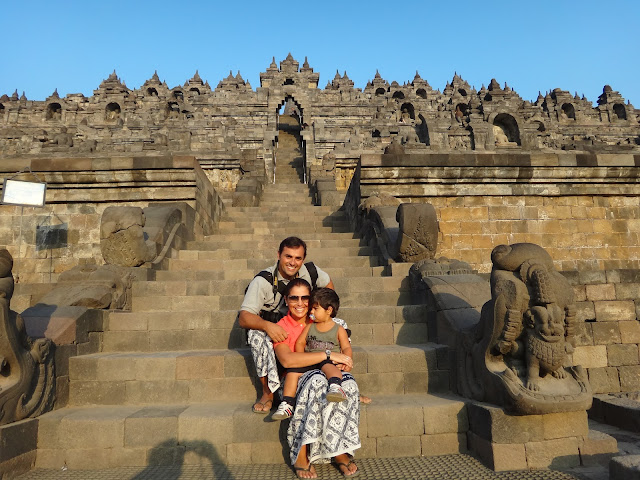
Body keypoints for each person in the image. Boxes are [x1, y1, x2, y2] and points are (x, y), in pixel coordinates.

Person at [274, 278, 360, 478]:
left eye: (305, 298)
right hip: (295, 379)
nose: (301, 303)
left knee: (350, 385)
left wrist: (343, 361)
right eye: (294, 298)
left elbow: (344, 348)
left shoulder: (323, 322)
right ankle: (301, 453)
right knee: (316, 382)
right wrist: (327, 356)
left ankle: (339, 449)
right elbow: (288, 361)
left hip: (325, 372)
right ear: (286, 300)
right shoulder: (282, 326)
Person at [239, 237, 334, 414]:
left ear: (303, 259)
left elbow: (329, 287)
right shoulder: (263, 280)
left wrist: (321, 314)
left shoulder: (311, 271)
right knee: (255, 336)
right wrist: (268, 326)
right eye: (288, 256)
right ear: (279, 255)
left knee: (337, 325)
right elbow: (244, 318)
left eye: (298, 258)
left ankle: (340, 382)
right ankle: (268, 393)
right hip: (274, 326)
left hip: (303, 322)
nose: (292, 262)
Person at [272, 288, 351, 420]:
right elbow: (300, 343)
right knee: (292, 372)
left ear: (329, 310)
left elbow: (346, 347)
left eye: (315, 309)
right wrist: (301, 356)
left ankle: (336, 386)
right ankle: (287, 404)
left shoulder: (339, 329)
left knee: (329, 367)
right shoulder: (311, 326)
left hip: (328, 361)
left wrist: (347, 360)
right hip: (311, 360)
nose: (311, 312)